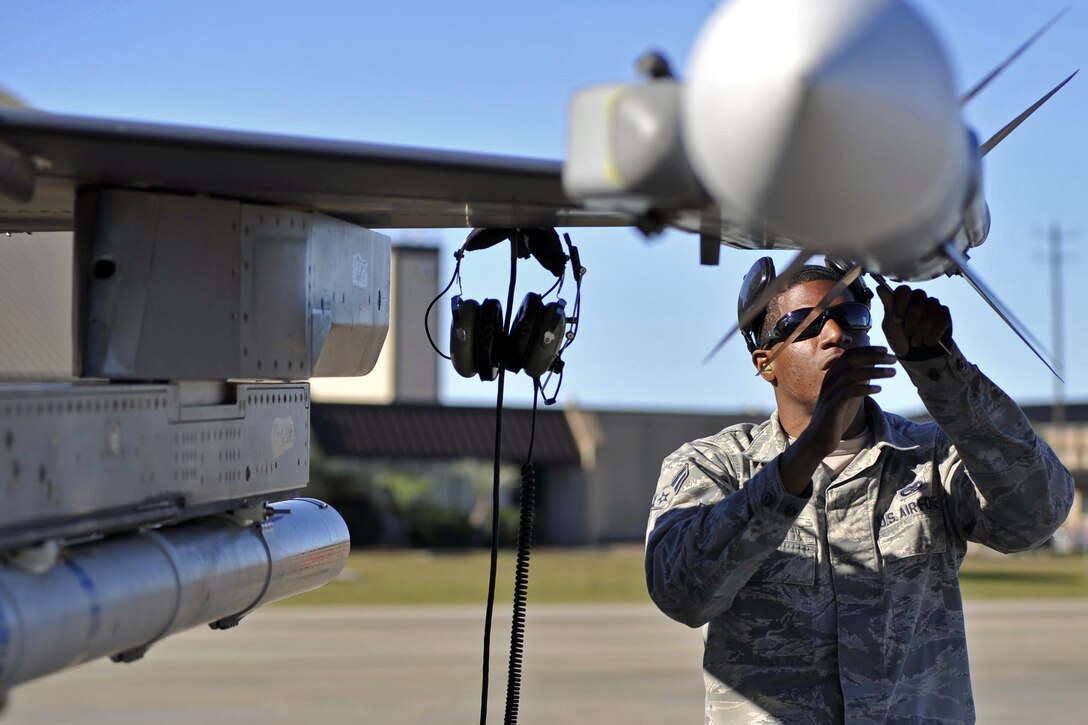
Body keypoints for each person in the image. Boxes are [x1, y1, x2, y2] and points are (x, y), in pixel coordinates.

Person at [644, 260, 1074, 724]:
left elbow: (1038, 513)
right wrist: (807, 453)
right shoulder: (717, 464)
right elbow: (682, 594)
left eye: (851, 318)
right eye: (806, 324)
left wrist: (940, 368)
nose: (835, 334)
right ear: (765, 363)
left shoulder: (929, 455)